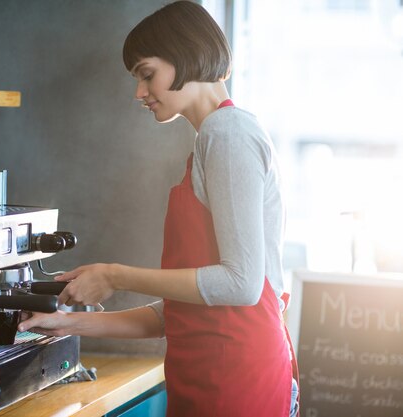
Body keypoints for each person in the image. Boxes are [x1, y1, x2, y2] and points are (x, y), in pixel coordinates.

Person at [18, 2, 299, 416]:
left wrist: (115, 275)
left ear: (186, 54)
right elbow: (180, 314)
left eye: (147, 75)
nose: (139, 93)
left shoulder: (229, 134)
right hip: (208, 374)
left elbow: (241, 285)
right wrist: (65, 323)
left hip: (235, 381)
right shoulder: (212, 139)